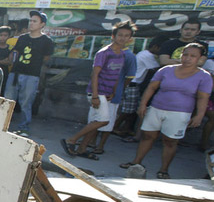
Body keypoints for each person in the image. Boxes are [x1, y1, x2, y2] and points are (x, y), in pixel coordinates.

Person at [119, 43, 211, 178]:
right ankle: (136, 162)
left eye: (193, 56)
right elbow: (151, 88)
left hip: (180, 113)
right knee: (147, 136)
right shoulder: (166, 70)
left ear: (200, 59)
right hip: (156, 108)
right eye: (185, 55)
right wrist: (143, 104)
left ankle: (163, 170)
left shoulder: (204, 76)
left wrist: (199, 116)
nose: (187, 58)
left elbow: (203, 98)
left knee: (170, 141)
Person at [61, 22, 136, 159]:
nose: (122, 38)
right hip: (97, 92)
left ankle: (82, 148)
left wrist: (113, 92)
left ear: (130, 38)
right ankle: (71, 140)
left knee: (96, 122)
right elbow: (95, 74)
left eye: (126, 36)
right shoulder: (104, 53)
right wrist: (95, 96)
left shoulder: (121, 54)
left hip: (108, 93)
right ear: (113, 36)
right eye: (120, 35)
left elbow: (117, 76)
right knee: (103, 121)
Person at [5, 10, 55, 136]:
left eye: (34, 21)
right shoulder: (22, 38)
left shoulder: (46, 41)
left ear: (42, 24)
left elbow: (46, 58)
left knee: (26, 102)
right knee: (8, 100)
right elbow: (14, 53)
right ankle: (2, 124)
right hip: (15, 72)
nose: (31, 23)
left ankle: (24, 127)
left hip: (32, 75)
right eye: (30, 21)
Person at [114, 37, 163, 140]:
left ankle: (126, 128)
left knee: (132, 110)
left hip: (136, 84)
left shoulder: (145, 54)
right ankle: (115, 127)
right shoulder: (147, 56)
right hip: (132, 83)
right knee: (128, 110)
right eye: (160, 49)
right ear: (155, 47)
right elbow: (159, 68)